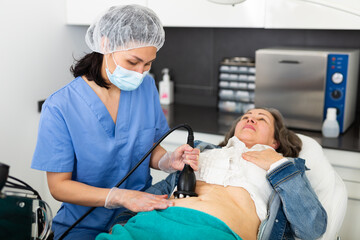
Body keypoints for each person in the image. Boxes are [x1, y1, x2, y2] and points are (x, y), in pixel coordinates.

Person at [31, 5, 199, 240]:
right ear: (106, 45)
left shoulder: (147, 87)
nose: (140, 72)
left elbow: (148, 147)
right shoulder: (60, 106)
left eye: (148, 64)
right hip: (82, 227)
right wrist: (119, 197)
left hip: (137, 219)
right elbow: (59, 186)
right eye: (133, 62)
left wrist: (168, 160)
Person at [96, 108, 328, 240]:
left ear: (276, 140)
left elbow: (312, 227)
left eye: (261, 118)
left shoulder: (284, 168)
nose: (250, 119)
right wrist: (123, 222)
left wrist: (278, 166)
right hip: (149, 226)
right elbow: (147, 198)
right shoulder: (200, 153)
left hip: (213, 233)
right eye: (246, 116)